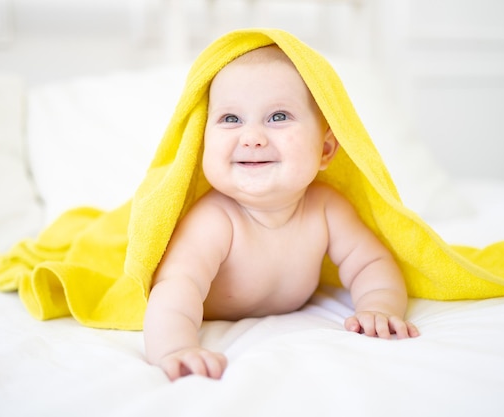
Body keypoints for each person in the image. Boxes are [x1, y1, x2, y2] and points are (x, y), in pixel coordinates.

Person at [143, 45, 419, 381]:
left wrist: (379, 307)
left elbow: (372, 264)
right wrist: (175, 347)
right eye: (231, 118)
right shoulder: (215, 220)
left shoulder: (326, 208)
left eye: (278, 117)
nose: (253, 137)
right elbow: (176, 287)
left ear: (325, 149)